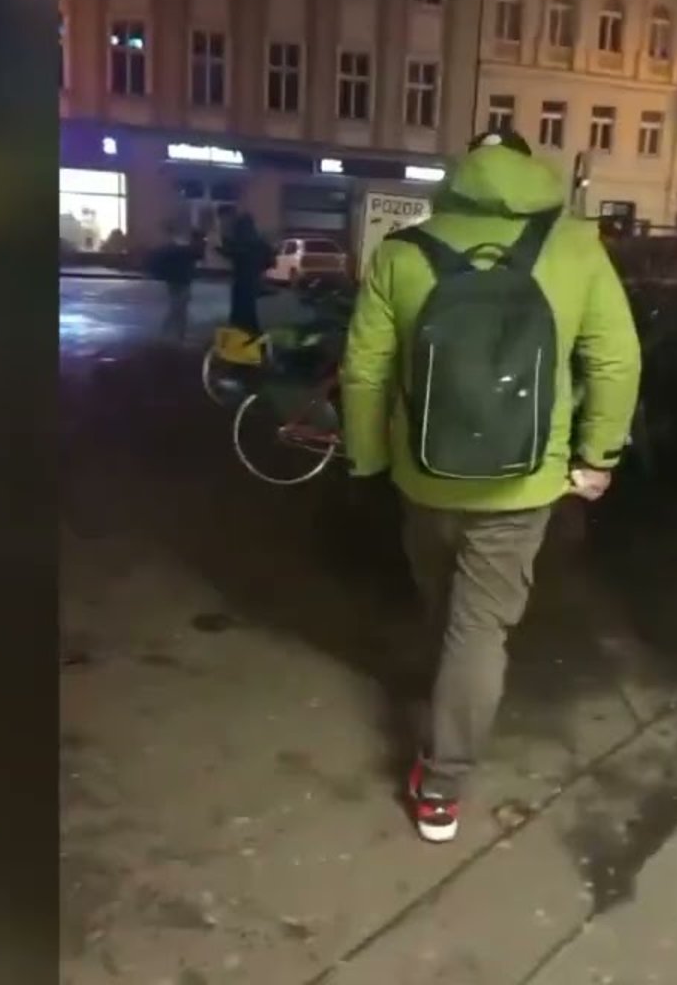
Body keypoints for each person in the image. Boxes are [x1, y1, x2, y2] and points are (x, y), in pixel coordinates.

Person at [339, 129, 642, 842]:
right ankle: (441, 788)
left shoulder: (403, 253)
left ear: (460, 175)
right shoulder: (577, 249)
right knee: (479, 626)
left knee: (443, 603)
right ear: (533, 173)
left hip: (425, 476)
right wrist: (597, 456)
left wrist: (367, 461)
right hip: (524, 484)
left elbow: (364, 371)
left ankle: (449, 696)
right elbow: (616, 361)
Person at [146, 221, 202, 343]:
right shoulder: (184, 247)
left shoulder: (172, 246)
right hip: (182, 279)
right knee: (178, 307)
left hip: (175, 279)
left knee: (179, 307)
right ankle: (170, 332)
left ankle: (175, 333)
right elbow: (197, 255)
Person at [218, 211, 271, 336]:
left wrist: (220, 245)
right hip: (253, 281)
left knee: (239, 312)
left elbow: (230, 251)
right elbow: (268, 259)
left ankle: (240, 335)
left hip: (241, 282)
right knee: (250, 312)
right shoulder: (259, 243)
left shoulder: (241, 242)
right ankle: (252, 335)